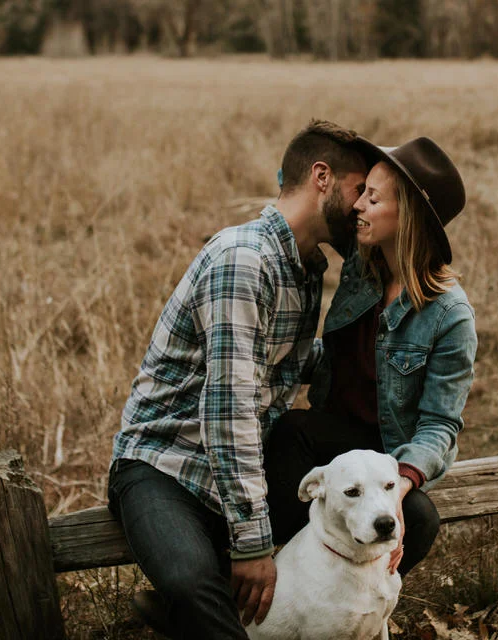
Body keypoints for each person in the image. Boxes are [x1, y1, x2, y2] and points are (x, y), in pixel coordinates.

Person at [107, 120, 373, 639]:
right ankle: (196, 612)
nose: (363, 205)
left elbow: (289, 362)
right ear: (322, 177)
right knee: (191, 582)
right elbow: (229, 411)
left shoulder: (305, 266)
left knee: (407, 516)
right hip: (167, 466)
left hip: (245, 465)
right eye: (359, 189)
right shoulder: (244, 260)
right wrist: (252, 544)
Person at [264, 136, 477, 578]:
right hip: (334, 438)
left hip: (388, 454)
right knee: (289, 432)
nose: (358, 205)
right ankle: (274, 577)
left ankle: (352, 596)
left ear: (408, 217)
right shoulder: (362, 267)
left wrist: (399, 486)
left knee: (419, 519)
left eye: (373, 198)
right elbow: (309, 203)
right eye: (362, 192)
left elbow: (440, 424)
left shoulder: (450, 315)